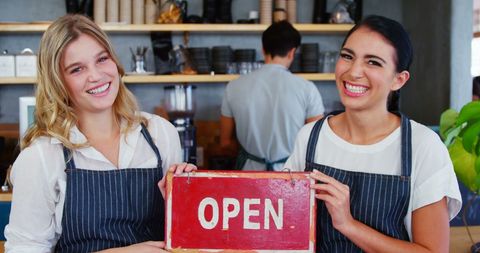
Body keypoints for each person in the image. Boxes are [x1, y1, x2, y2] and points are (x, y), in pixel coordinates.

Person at [4, 14, 195, 252]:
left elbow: (184, 239)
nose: (96, 75)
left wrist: (188, 202)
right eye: (77, 69)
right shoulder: (42, 157)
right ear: (58, 83)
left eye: (102, 59)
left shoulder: (160, 134)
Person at [285, 15, 462, 252]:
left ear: (398, 80)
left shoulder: (422, 146)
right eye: (347, 56)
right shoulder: (309, 137)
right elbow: (285, 228)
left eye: (373, 62)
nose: (354, 71)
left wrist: (348, 224)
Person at [220, 20, 325, 171]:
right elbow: (317, 143)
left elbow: (225, 143)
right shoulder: (307, 89)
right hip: (291, 177)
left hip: (248, 176)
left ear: (263, 50)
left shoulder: (233, 87)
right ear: (292, 52)